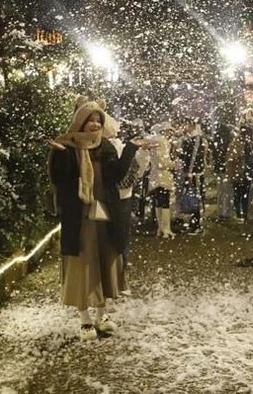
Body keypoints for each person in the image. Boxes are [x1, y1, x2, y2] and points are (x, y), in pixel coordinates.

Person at [48, 98, 153, 341]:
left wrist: (130, 149)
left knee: (104, 262)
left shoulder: (104, 146)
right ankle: (85, 319)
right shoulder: (67, 146)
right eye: (90, 120)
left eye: (98, 120)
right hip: (80, 216)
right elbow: (60, 180)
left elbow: (115, 175)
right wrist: (60, 155)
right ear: (80, 122)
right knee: (83, 265)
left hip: (104, 212)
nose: (95, 124)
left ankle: (102, 314)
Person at [105, 114, 151, 267]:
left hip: (117, 195)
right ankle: (119, 267)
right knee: (119, 234)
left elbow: (133, 169)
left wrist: (142, 152)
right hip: (118, 195)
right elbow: (133, 170)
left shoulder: (116, 145)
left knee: (118, 234)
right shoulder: (112, 146)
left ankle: (118, 267)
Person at [178, 118, 209, 234]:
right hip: (194, 173)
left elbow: (193, 158)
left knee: (195, 198)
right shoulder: (197, 139)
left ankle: (196, 225)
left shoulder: (195, 140)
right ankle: (194, 222)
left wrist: (190, 172)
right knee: (194, 197)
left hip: (194, 173)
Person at [147, 121, 177, 239]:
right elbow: (163, 162)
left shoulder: (154, 141)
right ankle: (166, 229)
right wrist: (175, 164)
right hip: (163, 176)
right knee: (165, 204)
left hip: (155, 176)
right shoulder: (162, 142)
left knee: (159, 203)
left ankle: (161, 228)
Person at [225, 125, 253, 222]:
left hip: (246, 172)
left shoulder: (250, 144)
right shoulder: (236, 144)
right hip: (238, 172)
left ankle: (244, 214)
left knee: (244, 193)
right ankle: (240, 214)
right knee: (238, 194)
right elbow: (231, 158)